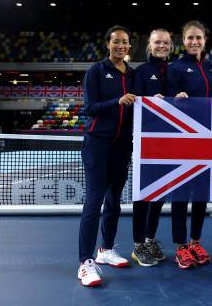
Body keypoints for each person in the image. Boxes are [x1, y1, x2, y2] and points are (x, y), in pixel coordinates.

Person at [77, 25, 136, 287]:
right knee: (94, 201)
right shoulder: (96, 72)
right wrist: (117, 101)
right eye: (116, 42)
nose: (120, 46)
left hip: (122, 146)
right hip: (97, 145)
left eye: (124, 42)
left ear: (129, 46)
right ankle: (85, 263)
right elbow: (89, 108)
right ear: (107, 44)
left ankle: (106, 250)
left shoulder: (132, 74)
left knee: (114, 200)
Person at [167, 20, 212, 269]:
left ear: (205, 40)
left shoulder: (211, 67)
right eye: (189, 38)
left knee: (201, 195)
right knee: (180, 195)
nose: (194, 42)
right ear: (183, 41)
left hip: (208, 142)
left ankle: (195, 242)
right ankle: (180, 248)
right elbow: (169, 100)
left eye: (198, 37)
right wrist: (177, 98)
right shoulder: (175, 68)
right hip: (183, 141)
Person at [131, 28, 173, 267]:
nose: (162, 46)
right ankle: (138, 245)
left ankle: (149, 239)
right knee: (143, 195)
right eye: (157, 42)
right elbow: (134, 101)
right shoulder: (142, 72)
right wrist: (148, 102)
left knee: (158, 194)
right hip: (147, 144)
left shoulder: (172, 70)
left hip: (168, 144)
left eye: (165, 42)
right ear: (149, 44)